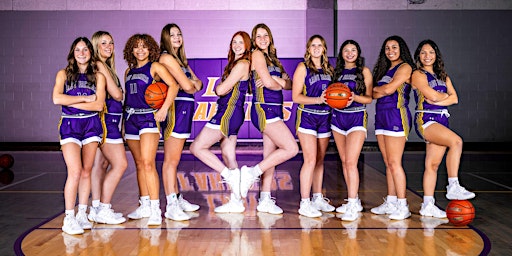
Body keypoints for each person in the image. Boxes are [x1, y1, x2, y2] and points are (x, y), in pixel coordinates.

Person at [411, 39, 475, 218]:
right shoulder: (418, 74)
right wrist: (442, 96)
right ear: (419, 56)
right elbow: (431, 95)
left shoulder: (443, 76)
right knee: (456, 141)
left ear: (436, 55)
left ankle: (427, 204)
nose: (427, 56)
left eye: (431, 52)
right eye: (423, 52)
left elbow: (454, 99)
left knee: (432, 164)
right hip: (426, 119)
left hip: (441, 119)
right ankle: (453, 185)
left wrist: (442, 98)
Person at [189, 31, 251, 213]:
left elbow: (221, 89)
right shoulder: (236, 63)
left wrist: (218, 87)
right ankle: (236, 201)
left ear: (247, 45)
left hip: (228, 113)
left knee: (197, 147)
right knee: (228, 154)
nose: (237, 45)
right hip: (233, 112)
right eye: (234, 42)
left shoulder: (242, 64)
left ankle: (228, 175)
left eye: (241, 42)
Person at [123, 34, 179, 226]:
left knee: (148, 163)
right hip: (131, 119)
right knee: (139, 164)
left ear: (150, 49)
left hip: (148, 117)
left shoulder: (155, 67)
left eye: (144, 47)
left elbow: (173, 85)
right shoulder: (128, 72)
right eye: (136, 47)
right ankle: (144, 205)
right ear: (131, 50)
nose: (140, 50)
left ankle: (156, 209)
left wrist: (163, 109)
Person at [52, 37, 106, 234]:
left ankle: (82, 213)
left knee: (86, 171)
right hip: (70, 124)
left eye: (85, 49)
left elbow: (99, 105)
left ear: (91, 53)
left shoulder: (98, 76)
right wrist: (84, 98)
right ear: (72, 53)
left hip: (92, 123)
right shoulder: (63, 74)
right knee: (74, 171)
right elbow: (57, 98)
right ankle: (69, 218)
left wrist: (70, 101)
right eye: (78, 50)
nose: (81, 53)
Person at [244, 23, 298, 215]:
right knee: (292, 148)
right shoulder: (257, 54)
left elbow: (290, 84)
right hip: (264, 108)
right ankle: (251, 173)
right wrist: (277, 82)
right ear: (253, 40)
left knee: (270, 157)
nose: (262, 39)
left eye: (265, 35)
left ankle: (265, 199)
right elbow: (267, 83)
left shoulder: (274, 59)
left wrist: (280, 82)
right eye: (258, 36)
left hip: (274, 108)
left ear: (270, 37)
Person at [159, 23, 203, 221]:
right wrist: (191, 84)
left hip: (184, 111)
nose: (176, 37)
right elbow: (188, 85)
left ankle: (177, 197)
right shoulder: (167, 57)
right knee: (171, 160)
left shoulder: (181, 60)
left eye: (179, 34)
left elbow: (198, 83)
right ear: (165, 38)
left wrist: (192, 84)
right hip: (175, 111)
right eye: (172, 35)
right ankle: (171, 204)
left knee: (175, 160)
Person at [370, 35, 414, 220]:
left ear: (401, 49)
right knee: (388, 162)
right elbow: (372, 93)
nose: (390, 51)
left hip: (396, 114)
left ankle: (403, 205)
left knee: (395, 163)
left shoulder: (405, 67)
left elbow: (388, 90)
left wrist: (379, 90)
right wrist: (379, 90)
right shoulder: (384, 69)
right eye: (387, 48)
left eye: (394, 47)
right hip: (381, 115)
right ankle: (391, 201)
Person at [292, 35, 335, 218]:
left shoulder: (329, 70)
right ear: (308, 49)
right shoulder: (303, 68)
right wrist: (317, 99)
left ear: (324, 49)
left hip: (325, 117)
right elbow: (296, 97)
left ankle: (317, 197)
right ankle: (305, 202)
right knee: (309, 159)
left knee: (319, 160)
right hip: (307, 117)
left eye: (320, 45)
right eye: (313, 45)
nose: (316, 48)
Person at [88, 31, 128, 225]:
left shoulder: (106, 67)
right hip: (105, 122)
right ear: (96, 45)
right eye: (103, 43)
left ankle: (96, 207)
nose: (108, 46)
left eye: (111, 43)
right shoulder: (99, 64)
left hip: (110, 121)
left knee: (101, 165)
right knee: (120, 164)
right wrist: (119, 91)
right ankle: (103, 207)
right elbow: (117, 95)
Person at [331, 40, 373, 221]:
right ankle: (352, 201)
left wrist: (353, 96)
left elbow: (369, 98)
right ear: (341, 54)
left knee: (350, 162)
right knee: (344, 162)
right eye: (346, 50)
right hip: (338, 118)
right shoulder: (336, 73)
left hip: (356, 117)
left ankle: (353, 201)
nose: (349, 53)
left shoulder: (364, 72)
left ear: (358, 52)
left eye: (353, 50)